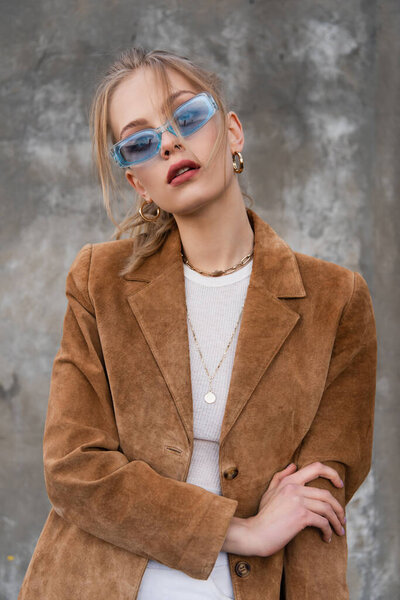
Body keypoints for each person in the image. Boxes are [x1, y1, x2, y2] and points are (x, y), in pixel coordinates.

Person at [18, 47, 377, 600]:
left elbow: (316, 500)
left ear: (232, 133)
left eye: (187, 116)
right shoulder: (99, 282)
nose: (168, 142)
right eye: (140, 142)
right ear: (140, 183)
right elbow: (73, 467)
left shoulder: (335, 301)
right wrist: (242, 532)